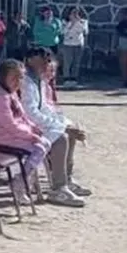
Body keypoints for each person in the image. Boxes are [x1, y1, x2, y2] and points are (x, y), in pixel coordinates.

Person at [21, 48, 90, 207]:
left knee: (71, 131)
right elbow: (30, 113)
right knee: (62, 138)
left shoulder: (38, 81)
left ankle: (66, 177)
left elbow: (44, 108)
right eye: (42, 58)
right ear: (30, 60)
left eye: (47, 58)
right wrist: (61, 127)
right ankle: (58, 188)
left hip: (38, 124)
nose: (46, 62)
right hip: (27, 126)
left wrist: (64, 123)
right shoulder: (25, 81)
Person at [0, 59, 50, 205]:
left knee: (45, 143)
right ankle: (20, 183)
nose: (17, 81)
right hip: (0, 137)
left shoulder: (11, 93)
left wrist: (32, 127)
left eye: (20, 77)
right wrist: (31, 136)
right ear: (3, 77)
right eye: (14, 78)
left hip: (14, 134)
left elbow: (22, 116)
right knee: (38, 148)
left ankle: (24, 178)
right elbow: (9, 125)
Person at [60, 7, 89, 85]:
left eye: (76, 13)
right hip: (68, 44)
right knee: (67, 62)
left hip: (78, 44)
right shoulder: (64, 22)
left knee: (76, 62)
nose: (75, 15)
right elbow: (63, 32)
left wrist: (78, 22)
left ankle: (74, 78)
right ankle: (66, 78)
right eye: (73, 13)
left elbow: (85, 31)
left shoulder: (83, 22)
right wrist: (71, 23)